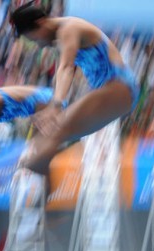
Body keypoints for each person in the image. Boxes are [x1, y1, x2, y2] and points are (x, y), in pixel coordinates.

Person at [9, 2, 139, 175]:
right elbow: (61, 75)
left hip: (121, 87)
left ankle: (28, 170)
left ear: (41, 23)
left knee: (54, 132)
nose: (38, 45)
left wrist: (56, 106)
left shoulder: (68, 28)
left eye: (34, 39)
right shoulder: (61, 37)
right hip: (115, 92)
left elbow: (66, 68)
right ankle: (45, 186)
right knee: (47, 138)